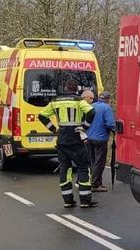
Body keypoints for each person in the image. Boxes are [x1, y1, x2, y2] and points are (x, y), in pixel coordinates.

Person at [42, 80, 97, 208]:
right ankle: (85, 200)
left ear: (66, 88)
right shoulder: (79, 101)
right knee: (83, 167)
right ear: (76, 89)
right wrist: (85, 126)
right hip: (76, 139)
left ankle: (68, 200)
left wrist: (53, 129)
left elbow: (42, 116)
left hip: (62, 140)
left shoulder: (55, 101)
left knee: (65, 169)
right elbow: (91, 112)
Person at [87, 90, 116, 191]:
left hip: (89, 137)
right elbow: (110, 124)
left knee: (93, 161)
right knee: (100, 162)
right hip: (101, 138)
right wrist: (114, 129)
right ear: (108, 99)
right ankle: (94, 184)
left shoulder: (92, 106)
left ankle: (98, 182)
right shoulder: (107, 108)